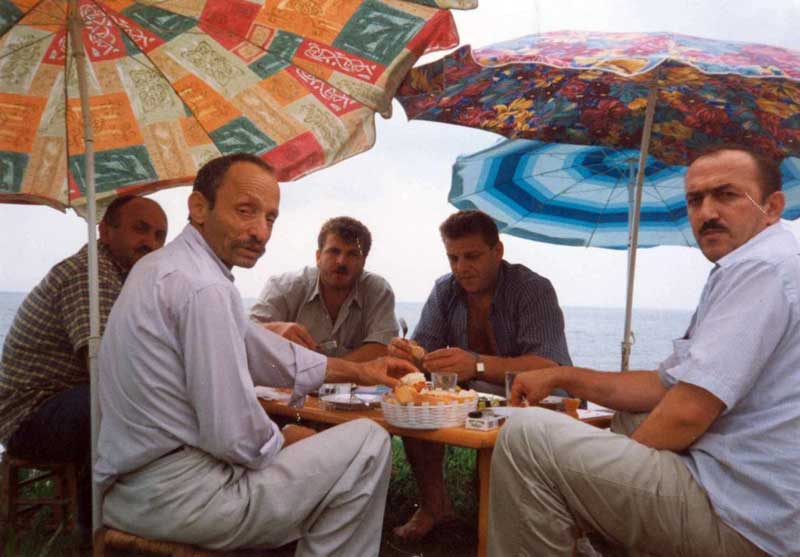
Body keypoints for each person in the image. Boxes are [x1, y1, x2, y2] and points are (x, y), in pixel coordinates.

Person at [95, 153, 416, 556]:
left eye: (270, 218)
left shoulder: (161, 267)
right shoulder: (206, 288)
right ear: (199, 207)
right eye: (245, 211)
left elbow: (262, 350)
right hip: (184, 497)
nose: (261, 232)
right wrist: (284, 439)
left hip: (128, 490)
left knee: (331, 452)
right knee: (369, 443)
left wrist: (363, 372)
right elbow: (230, 435)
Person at [489, 146, 799, 557]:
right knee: (628, 417)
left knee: (526, 437)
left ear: (772, 207)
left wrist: (602, 485)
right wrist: (562, 376)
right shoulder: (764, 262)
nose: (707, 212)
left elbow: (687, 413)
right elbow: (663, 385)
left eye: (726, 195)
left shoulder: (761, 268)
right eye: (695, 200)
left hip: (744, 517)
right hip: (756, 496)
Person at [388, 209, 572, 540]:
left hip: (537, 396)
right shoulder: (445, 289)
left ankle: (529, 521)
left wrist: (477, 364)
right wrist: (409, 353)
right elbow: (424, 355)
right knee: (416, 407)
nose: (461, 267)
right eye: (453, 257)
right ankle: (435, 506)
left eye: (471, 256)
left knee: (504, 497)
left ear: (497, 251)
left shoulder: (533, 289)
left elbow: (548, 367)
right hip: (478, 394)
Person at [0, 195, 167, 535]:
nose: (150, 243)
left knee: (140, 405)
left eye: (159, 235)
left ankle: (136, 513)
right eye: (140, 229)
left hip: (64, 401)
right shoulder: (90, 274)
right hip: (27, 416)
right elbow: (109, 368)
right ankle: (98, 530)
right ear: (105, 230)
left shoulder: (124, 278)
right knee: (119, 408)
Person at [249, 216, 397, 361]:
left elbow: (381, 347)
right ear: (318, 256)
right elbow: (244, 334)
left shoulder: (377, 291)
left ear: (363, 261)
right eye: (334, 251)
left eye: (352, 254)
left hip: (338, 378)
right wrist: (276, 329)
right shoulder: (283, 287)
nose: (341, 261)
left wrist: (323, 371)